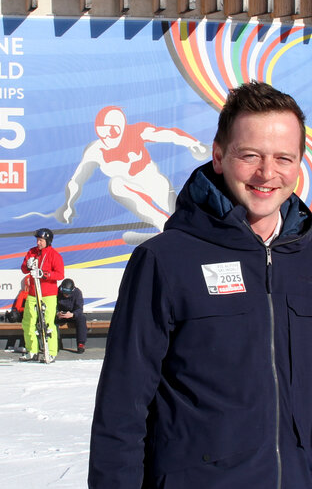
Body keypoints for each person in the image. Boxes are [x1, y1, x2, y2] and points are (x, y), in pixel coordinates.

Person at [87, 81, 312, 489]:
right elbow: (121, 414)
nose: (266, 173)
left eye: (283, 157)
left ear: (301, 164)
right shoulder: (165, 261)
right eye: (251, 154)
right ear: (220, 154)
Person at [50, 106, 209, 239]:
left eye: (111, 131)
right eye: (101, 131)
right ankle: (163, 225)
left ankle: (197, 232)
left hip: (151, 181)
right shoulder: (96, 150)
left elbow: (167, 134)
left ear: (121, 128)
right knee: (115, 184)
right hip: (128, 186)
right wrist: (68, 205)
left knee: (178, 213)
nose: (106, 137)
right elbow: (76, 180)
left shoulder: (136, 132)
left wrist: (193, 143)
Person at [20, 228, 64, 360]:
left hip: (48, 294)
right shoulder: (32, 252)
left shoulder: (54, 255)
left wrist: (44, 274)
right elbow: (23, 269)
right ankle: (32, 350)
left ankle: (51, 352)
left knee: (48, 323)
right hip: (33, 293)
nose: (38, 243)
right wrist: (27, 266)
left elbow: (60, 274)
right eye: (37, 240)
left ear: (48, 241)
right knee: (28, 321)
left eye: (41, 240)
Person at [56, 278, 87, 353]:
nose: (66, 295)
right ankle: (57, 342)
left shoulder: (77, 292)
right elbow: (52, 306)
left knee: (82, 318)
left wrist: (73, 314)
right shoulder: (56, 292)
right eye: (64, 293)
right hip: (60, 314)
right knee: (51, 320)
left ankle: (81, 343)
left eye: (68, 293)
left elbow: (79, 308)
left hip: (72, 314)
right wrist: (57, 313)